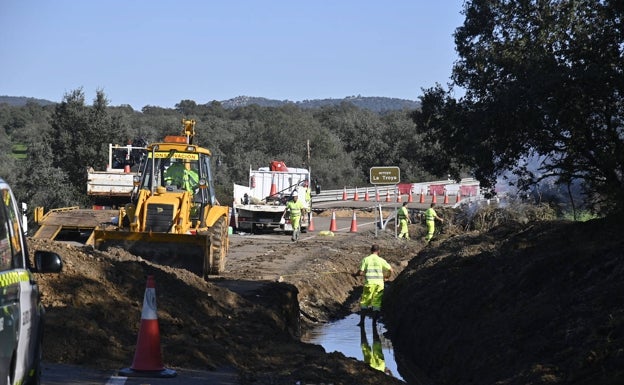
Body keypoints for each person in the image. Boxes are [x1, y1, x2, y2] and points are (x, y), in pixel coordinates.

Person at [353, 244, 393, 326]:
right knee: (376, 303)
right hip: (379, 285)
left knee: (364, 302)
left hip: (369, 284)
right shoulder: (381, 260)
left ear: (371, 251)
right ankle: (374, 323)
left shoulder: (366, 259)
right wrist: (387, 277)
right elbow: (390, 270)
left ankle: (361, 322)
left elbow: (360, 272)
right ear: (379, 251)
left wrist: (355, 275)